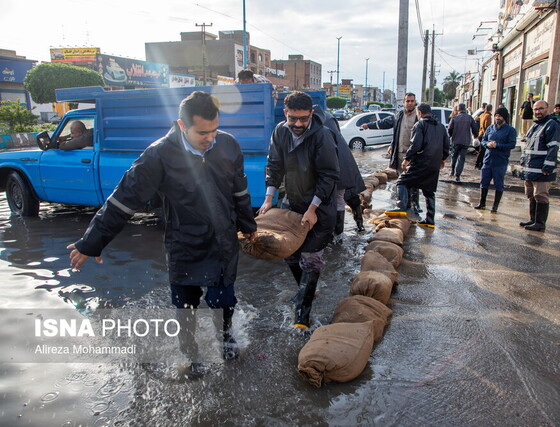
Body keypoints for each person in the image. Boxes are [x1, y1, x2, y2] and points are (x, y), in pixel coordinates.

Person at [66, 91, 258, 374]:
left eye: (215, 129)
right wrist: (91, 242)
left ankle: (227, 343)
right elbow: (122, 201)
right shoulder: (158, 155)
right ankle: (191, 358)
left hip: (222, 241)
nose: (211, 138)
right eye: (203, 132)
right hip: (184, 243)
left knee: (223, 301)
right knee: (185, 307)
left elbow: (239, 191)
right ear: (181, 126)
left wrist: (248, 226)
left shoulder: (227, 145)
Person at [258, 91, 339, 329]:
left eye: (304, 119)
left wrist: (313, 208)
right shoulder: (280, 132)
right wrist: (268, 199)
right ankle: (305, 291)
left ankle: (302, 314)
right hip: (292, 204)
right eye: (293, 118)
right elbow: (274, 166)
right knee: (290, 253)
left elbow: (329, 176)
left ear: (311, 114)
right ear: (285, 114)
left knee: (311, 258)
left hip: (320, 207)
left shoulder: (322, 136)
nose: (298, 124)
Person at [388, 103, 450, 228]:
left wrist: (407, 159)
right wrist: (442, 158)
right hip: (434, 164)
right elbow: (447, 145)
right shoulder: (441, 127)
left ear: (420, 113)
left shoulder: (420, 124)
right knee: (429, 191)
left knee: (402, 181)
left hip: (421, 162)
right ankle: (430, 220)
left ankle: (401, 207)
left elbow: (415, 145)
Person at [360, 92, 421, 213]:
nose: (409, 103)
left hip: (413, 154)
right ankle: (405, 204)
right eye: (407, 101)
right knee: (401, 179)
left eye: (412, 101)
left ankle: (415, 204)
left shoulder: (418, 117)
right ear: (404, 102)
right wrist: (369, 125)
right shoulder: (399, 116)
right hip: (399, 154)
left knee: (413, 180)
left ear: (415, 102)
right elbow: (385, 123)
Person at [313, 105, 366, 235]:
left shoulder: (317, 124)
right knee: (347, 196)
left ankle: (337, 233)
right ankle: (358, 225)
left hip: (336, 163)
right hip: (345, 162)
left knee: (338, 198)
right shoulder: (329, 118)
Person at [519, 100, 560, 231]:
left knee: (541, 195)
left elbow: (553, 148)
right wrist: (522, 162)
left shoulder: (551, 125)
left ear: (547, 109)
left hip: (542, 170)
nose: (538, 112)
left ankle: (540, 223)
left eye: (541, 109)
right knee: (531, 195)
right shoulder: (535, 125)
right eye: (536, 109)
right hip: (530, 168)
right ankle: (533, 219)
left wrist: (548, 167)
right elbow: (527, 146)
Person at [474, 107, 517, 213]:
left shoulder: (510, 130)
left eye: (499, 116)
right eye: (496, 116)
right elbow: (483, 140)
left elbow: (512, 144)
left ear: (504, 118)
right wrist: (487, 144)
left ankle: (495, 206)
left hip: (500, 162)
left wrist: (497, 145)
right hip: (488, 160)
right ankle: (482, 203)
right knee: (484, 182)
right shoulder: (490, 128)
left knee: (498, 184)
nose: (497, 118)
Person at [448, 103, 479, 182]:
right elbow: (475, 128)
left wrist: (451, 136)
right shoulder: (469, 118)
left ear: (458, 110)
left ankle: (452, 170)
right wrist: (476, 135)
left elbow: (449, 129)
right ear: (465, 109)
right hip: (465, 141)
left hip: (455, 140)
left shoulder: (454, 118)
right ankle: (457, 176)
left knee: (454, 156)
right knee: (461, 158)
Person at [474, 104, 493, 169]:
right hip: (484, 135)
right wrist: (487, 135)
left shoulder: (482, 115)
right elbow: (487, 126)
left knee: (481, 150)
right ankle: (479, 164)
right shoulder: (488, 116)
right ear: (491, 109)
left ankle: (478, 164)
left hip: (480, 133)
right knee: (483, 151)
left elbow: (477, 119)